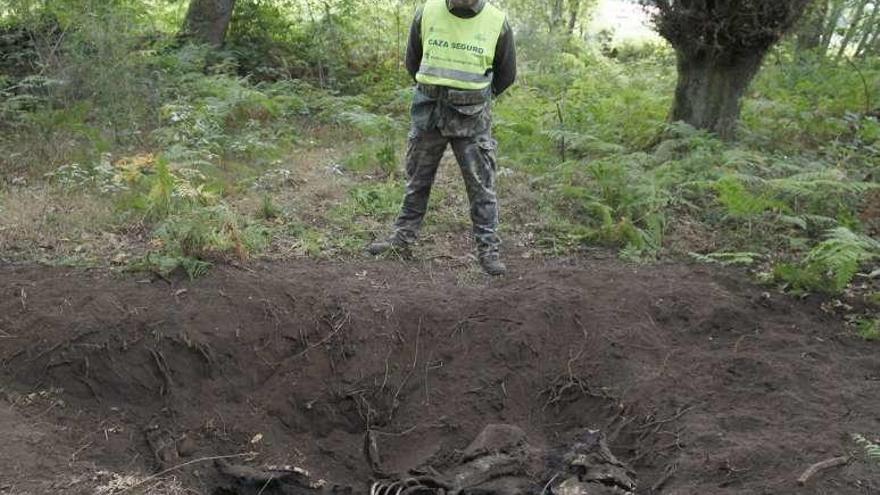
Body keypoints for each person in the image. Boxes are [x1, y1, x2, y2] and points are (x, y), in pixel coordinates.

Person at [366, 0, 517, 276]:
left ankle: (488, 252)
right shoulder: (426, 12)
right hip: (429, 113)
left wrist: (480, 98)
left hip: (472, 120)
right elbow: (413, 61)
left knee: (481, 187)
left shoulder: (498, 21)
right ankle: (401, 241)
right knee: (416, 182)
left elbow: (506, 74)